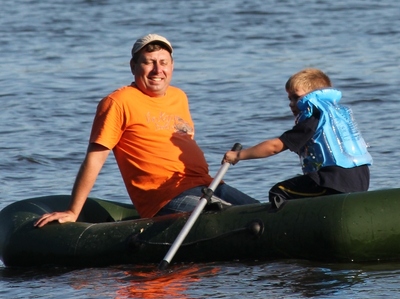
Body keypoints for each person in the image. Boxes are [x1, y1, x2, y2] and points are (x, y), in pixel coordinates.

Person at [35, 33, 258, 228]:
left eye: (163, 62)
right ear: (133, 66)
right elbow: (94, 160)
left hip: (208, 184)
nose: (157, 70)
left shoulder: (179, 96)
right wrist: (73, 211)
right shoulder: (118, 102)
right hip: (166, 197)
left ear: (172, 65)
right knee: (231, 219)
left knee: (263, 212)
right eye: (149, 62)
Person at [223, 68, 372, 207]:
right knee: (306, 189)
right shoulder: (337, 115)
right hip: (360, 179)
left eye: (296, 97)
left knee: (279, 191)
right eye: (290, 99)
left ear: (313, 96)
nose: (292, 104)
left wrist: (238, 155)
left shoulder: (312, 119)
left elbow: (274, 147)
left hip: (332, 181)